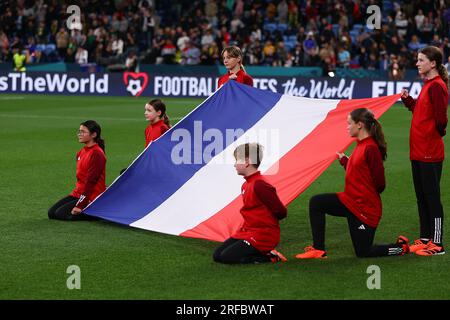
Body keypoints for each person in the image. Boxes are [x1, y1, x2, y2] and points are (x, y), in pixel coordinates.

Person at [295, 108, 410, 259]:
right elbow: (359, 170)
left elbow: (380, 184)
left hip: (365, 208)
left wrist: (364, 193)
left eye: (349, 123)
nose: (347, 127)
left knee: (364, 252)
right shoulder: (360, 144)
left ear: (360, 125)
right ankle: (318, 249)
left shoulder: (370, 148)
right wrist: (345, 161)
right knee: (316, 203)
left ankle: (401, 247)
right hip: (350, 201)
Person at [400, 46, 448, 256]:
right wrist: (409, 101)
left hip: (429, 152)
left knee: (432, 197)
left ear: (433, 63)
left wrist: (434, 134)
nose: (417, 63)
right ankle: (425, 237)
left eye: (421, 60)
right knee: (422, 197)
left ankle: (437, 243)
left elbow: (440, 120)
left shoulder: (437, 86)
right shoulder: (428, 85)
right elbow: (421, 111)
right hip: (418, 152)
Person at [213, 143, 288, 264]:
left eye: (237, 160)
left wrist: (265, 222)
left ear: (247, 162)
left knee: (228, 258)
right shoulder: (246, 184)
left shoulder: (259, 184)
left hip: (263, 235)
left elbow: (281, 211)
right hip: (247, 231)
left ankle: (270, 256)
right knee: (217, 256)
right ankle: (260, 252)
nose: (234, 165)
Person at [48, 120, 106, 221]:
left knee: (61, 214)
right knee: (52, 213)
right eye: (79, 131)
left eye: (83, 132)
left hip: (91, 195)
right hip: (79, 193)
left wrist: (80, 205)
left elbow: (90, 182)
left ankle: (97, 213)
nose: (79, 134)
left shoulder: (96, 154)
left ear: (93, 134)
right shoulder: (81, 152)